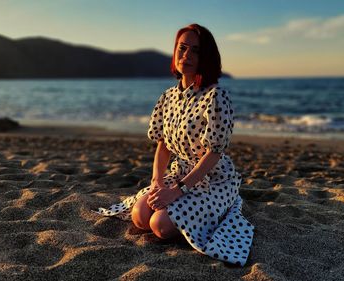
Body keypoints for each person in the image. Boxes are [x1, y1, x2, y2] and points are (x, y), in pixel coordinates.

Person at [95, 23, 254, 266]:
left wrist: (176, 191)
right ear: (175, 52)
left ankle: (223, 206)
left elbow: (214, 153)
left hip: (213, 179)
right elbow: (163, 145)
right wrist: (157, 181)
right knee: (139, 216)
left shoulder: (216, 96)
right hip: (178, 173)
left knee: (159, 226)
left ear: (206, 57)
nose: (187, 56)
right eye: (182, 48)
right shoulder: (168, 96)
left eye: (196, 51)